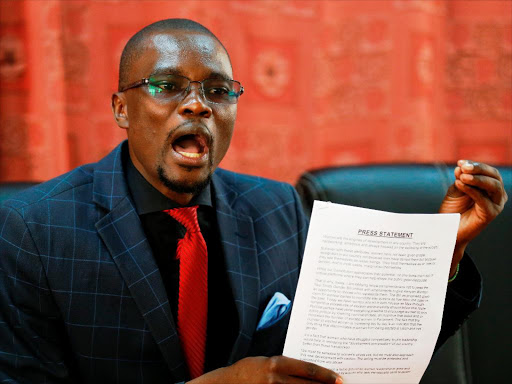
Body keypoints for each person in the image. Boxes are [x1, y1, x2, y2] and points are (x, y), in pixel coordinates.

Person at [0, 19, 507, 384]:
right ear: (122, 109)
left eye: (219, 90)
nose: (198, 103)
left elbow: (356, 354)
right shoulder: (33, 229)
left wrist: (442, 254)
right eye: (167, 85)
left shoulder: (278, 207)